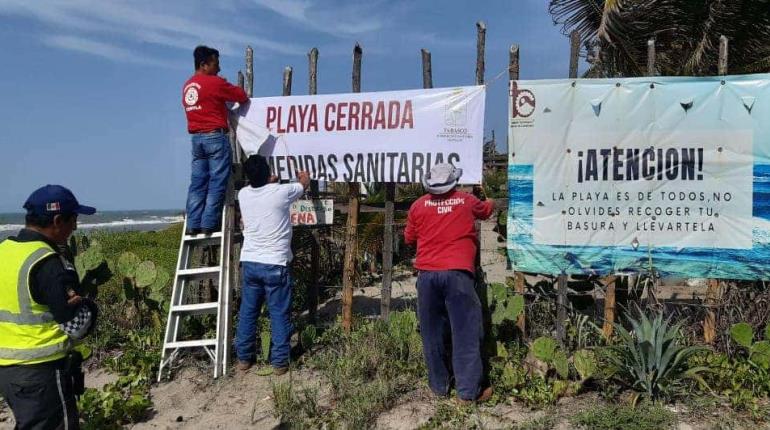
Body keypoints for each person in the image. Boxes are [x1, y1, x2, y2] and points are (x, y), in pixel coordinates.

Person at [0, 185, 99, 429]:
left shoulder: (4, 251)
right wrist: (89, 305)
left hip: (7, 370)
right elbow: (76, 326)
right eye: (73, 220)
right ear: (57, 220)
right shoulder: (48, 263)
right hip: (41, 371)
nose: (74, 228)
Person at [404, 163, 495, 404]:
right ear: (453, 181)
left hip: (427, 275)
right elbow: (486, 211)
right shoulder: (466, 201)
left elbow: (409, 238)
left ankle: (439, 387)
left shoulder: (417, 206)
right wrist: (490, 198)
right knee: (465, 332)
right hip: (458, 274)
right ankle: (467, 393)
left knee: (432, 333)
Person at [235, 155, 310, 374]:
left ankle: (244, 359)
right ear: (268, 173)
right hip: (275, 263)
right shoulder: (281, 192)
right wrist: (303, 177)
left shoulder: (243, 194)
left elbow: (260, 191)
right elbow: (303, 183)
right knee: (279, 313)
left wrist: (268, 181)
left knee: (248, 313)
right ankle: (279, 362)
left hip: (250, 261)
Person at [182, 45, 248, 235]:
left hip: (196, 139)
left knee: (197, 183)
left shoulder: (187, 86)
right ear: (204, 64)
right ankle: (209, 223)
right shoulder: (215, 83)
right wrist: (221, 83)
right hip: (215, 137)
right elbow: (241, 96)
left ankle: (193, 223)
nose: (218, 68)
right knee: (217, 182)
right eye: (215, 64)